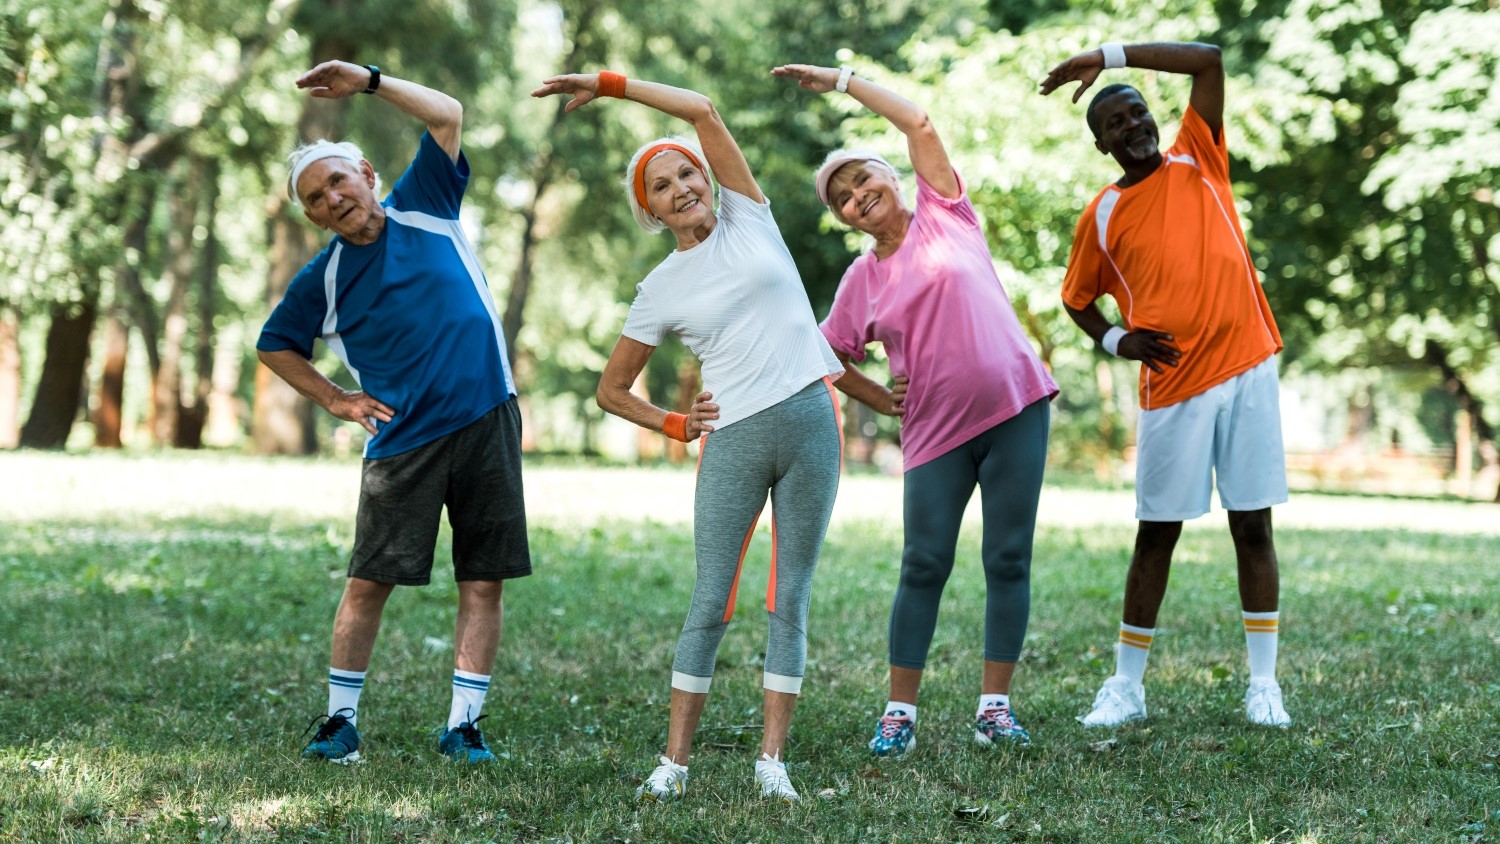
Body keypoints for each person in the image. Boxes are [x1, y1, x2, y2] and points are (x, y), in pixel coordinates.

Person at [531, 69, 845, 804]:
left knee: (789, 597)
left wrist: (613, 85)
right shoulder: (660, 287)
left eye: (686, 173)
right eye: (662, 185)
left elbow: (703, 107)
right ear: (650, 209)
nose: (682, 188)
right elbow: (610, 390)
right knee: (711, 599)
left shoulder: (751, 217)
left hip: (810, 421)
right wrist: (673, 424)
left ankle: (772, 761)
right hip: (732, 436)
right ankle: (674, 761)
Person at [772, 63, 1058, 756]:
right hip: (935, 434)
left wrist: (843, 81)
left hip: (1018, 407)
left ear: (891, 177)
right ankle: (900, 711)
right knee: (923, 564)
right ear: (842, 218)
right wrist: (879, 398)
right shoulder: (861, 280)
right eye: (841, 197)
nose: (855, 196)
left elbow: (918, 122)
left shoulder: (947, 213)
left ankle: (995, 707)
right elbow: (827, 355)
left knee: (1008, 558)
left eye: (861, 179)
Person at [257, 60, 531, 764]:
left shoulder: (427, 205)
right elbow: (275, 345)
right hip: (402, 444)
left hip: (487, 420)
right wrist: (337, 399)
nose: (333, 199)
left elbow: (447, 112)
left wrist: (370, 81)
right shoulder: (324, 277)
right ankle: (339, 721)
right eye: (316, 198)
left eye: (338, 181)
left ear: (367, 174)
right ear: (311, 215)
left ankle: (463, 725)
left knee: (483, 578)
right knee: (369, 582)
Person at [1040, 41, 1291, 727]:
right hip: (1175, 387)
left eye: (1138, 110)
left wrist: (1106, 56)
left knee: (1253, 527)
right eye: (1116, 123)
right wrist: (1118, 340)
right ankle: (1126, 685)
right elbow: (1076, 299)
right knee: (1157, 534)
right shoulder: (1102, 214)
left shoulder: (1199, 157)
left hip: (1247, 368)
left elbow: (1210, 59)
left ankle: (1264, 684)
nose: (1134, 125)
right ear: (1102, 144)